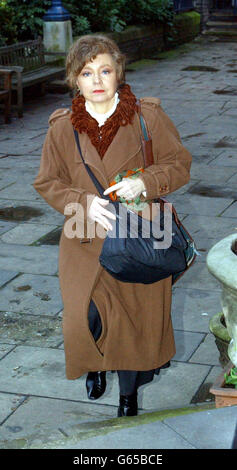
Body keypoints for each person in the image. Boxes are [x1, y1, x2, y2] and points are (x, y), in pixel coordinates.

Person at [33, 34, 192, 417]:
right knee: (83, 316)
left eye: (105, 70)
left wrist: (146, 182)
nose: (97, 80)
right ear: (75, 79)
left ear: (118, 71)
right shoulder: (61, 126)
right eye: (87, 72)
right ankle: (95, 362)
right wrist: (81, 202)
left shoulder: (147, 116)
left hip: (140, 233)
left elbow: (179, 163)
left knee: (135, 324)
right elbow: (47, 182)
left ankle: (128, 398)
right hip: (82, 234)